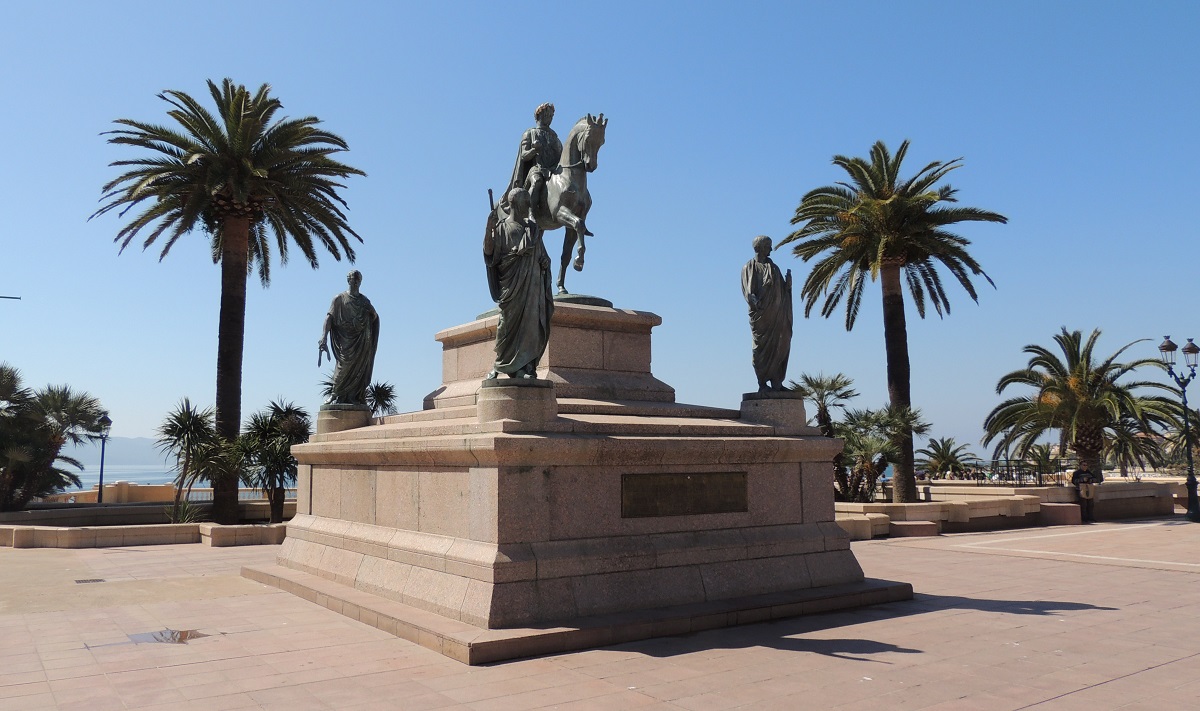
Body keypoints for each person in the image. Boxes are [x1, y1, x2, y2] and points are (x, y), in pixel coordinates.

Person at [486, 188, 554, 379]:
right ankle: (501, 365)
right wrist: (488, 229)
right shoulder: (501, 228)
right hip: (511, 285)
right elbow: (490, 253)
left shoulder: (532, 230)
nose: (529, 207)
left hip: (531, 286)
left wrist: (545, 262)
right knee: (505, 325)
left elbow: (543, 256)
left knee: (531, 324)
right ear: (516, 204)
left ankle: (526, 367)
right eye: (526, 203)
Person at [318, 270, 380, 405]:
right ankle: (335, 394)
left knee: (360, 369)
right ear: (348, 280)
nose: (356, 281)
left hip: (362, 340)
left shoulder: (364, 301)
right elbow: (329, 318)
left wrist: (367, 321)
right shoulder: (339, 299)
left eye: (358, 279)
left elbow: (374, 316)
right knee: (343, 366)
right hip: (345, 339)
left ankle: (355, 396)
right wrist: (324, 337)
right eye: (353, 279)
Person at [741, 235, 793, 392]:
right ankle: (762, 383)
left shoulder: (774, 267)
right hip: (762, 315)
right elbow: (748, 291)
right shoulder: (749, 267)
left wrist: (787, 286)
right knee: (761, 349)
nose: (771, 249)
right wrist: (754, 301)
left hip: (778, 315)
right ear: (758, 247)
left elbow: (781, 290)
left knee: (781, 344)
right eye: (768, 246)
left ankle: (777, 382)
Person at [507, 103, 562, 222]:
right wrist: (534, 150)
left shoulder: (554, 137)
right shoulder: (530, 133)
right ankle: (530, 213)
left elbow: (561, 155)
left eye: (552, 115)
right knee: (537, 181)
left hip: (553, 169)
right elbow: (524, 156)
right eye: (547, 114)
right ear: (539, 116)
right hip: (537, 168)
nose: (550, 118)